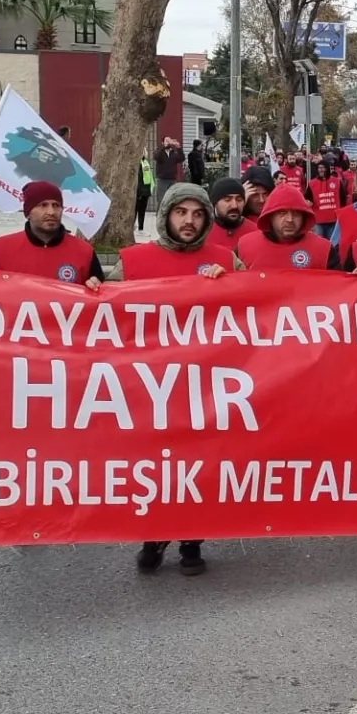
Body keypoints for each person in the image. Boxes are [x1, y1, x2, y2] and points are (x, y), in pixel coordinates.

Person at [116, 182, 234, 576]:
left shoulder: (225, 260)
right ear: (166, 214)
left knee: (198, 466)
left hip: (204, 386)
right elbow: (99, 316)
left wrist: (232, 283)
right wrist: (95, 290)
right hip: (151, 386)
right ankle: (154, 535)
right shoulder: (133, 262)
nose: (189, 221)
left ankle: (191, 539)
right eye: (181, 212)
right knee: (155, 467)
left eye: (198, 214)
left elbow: (263, 307)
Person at [0, 180, 104, 284]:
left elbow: (103, 296)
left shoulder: (84, 252)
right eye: (43, 205)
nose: (51, 212)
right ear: (28, 212)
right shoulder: (2, 248)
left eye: (56, 205)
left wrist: (96, 286)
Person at [236, 183, 331, 269]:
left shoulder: (324, 250)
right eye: (282, 213)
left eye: (296, 213)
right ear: (270, 216)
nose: (290, 219)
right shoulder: (244, 247)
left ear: (304, 217)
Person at [205, 176, 250, 259]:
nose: (234, 205)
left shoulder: (254, 231)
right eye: (227, 200)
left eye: (239, 199)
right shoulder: (203, 232)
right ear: (215, 203)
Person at [308, 158, 346, 239]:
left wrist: (341, 214)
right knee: (319, 243)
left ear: (327, 168)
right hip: (318, 220)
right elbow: (307, 199)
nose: (321, 170)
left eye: (323, 168)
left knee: (332, 243)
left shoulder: (337, 181)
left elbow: (343, 199)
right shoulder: (311, 183)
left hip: (333, 219)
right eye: (319, 168)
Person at [136, 151, 153, 232]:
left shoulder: (144, 162)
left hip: (143, 190)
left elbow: (148, 176)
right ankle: (139, 228)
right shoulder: (142, 163)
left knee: (140, 210)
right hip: (141, 190)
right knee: (139, 211)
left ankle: (140, 227)